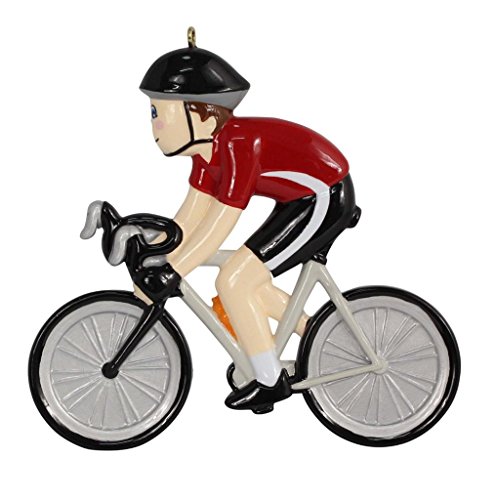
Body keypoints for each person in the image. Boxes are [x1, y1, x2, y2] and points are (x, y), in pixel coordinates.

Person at [139, 29, 358, 414]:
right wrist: (155, 250)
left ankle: (270, 381)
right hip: (296, 200)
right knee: (246, 281)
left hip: (324, 197)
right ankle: (317, 336)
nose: (153, 126)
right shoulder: (205, 155)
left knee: (235, 279)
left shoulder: (237, 144)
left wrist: (173, 269)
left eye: (159, 113)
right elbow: (189, 218)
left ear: (198, 114)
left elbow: (220, 223)